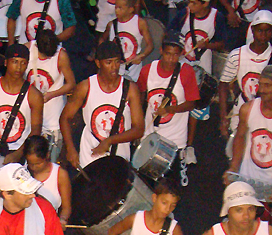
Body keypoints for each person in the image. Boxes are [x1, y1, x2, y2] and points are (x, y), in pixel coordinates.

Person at [224, 64, 272, 230]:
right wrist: (234, 167)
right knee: (241, 229)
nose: (262, 89)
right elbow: (240, 137)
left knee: (270, 234)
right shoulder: (248, 109)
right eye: (261, 84)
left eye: (268, 85)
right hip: (248, 182)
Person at [219, 10, 272, 158]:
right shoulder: (237, 55)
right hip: (241, 111)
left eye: (267, 31)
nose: (263, 35)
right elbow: (223, 85)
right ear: (252, 30)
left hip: (268, 114)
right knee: (237, 156)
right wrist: (223, 118)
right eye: (260, 30)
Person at [61, 41, 145, 169]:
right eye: (109, 62)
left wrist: (109, 141)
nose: (114, 67)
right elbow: (64, 118)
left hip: (119, 159)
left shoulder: (130, 88)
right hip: (89, 158)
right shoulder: (86, 87)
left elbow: (139, 129)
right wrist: (70, 149)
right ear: (98, 63)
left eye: (117, 62)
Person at [137, 30, 200, 187]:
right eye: (168, 54)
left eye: (175, 55)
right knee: (147, 182)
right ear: (161, 51)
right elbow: (140, 97)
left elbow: (192, 103)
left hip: (175, 139)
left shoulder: (186, 72)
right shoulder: (147, 70)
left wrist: (171, 109)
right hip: (150, 135)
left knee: (172, 185)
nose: (171, 59)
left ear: (181, 54)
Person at [170, 0, 226, 157]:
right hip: (183, 66)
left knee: (195, 106)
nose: (190, 5)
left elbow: (222, 43)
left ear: (205, 3)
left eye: (194, 3)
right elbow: (170, 33)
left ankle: (189, 145)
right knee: (179, 101)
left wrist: (207, 45)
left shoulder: (217, 17)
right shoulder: (184, 14)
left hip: (203, 69)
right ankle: (177, 141)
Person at [0, 43, 44, 164]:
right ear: (6, 62)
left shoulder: (34, 95)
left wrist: (18, 154)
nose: (18, 67)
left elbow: (36, 129)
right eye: (14, 62)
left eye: (23, 63)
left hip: (23, 151)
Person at [25, 29, 76, 161]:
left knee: (51, 158)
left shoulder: (61, 55)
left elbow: (71, 84)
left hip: (53, 115)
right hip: (30, 113)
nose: (48, 58)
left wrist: (51, 95)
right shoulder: (27, 50)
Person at [101, 0, 153, 83]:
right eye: (116, 7)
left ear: (130, 9)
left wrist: (141, 56)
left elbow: (150, 45)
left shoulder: (140, 23)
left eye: (120, 8)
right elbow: (102, 40)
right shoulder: (111, 25)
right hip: (116, 69)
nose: (116, 10)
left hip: (134, 70)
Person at [24, 135, 72, 227]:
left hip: (48, 225)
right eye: (30, 163)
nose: (34, 167)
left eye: (38, 163)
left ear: (47, 155)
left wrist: (62, 219)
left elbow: (66, 208)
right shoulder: (22, 172)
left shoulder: (60, 174)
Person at [6, 0, 77, 45]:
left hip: (52, 51)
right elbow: (11, 18)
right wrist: (11, 45)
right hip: (25, 49)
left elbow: (71, 28)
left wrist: (52, 41)